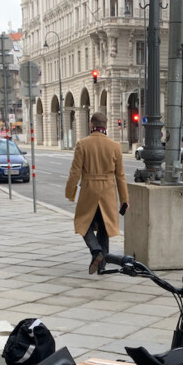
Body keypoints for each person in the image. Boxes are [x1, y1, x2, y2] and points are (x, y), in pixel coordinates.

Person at [65, 112, 130, 274]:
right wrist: (124, 200)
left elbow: (75, 172)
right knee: (103, 227)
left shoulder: (83, 144)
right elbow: (120, 175)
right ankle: (101, 266)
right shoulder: (115, 146)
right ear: (105, 126)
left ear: (91, 125)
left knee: (82, 223)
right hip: (108, 191)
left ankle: (96, 251)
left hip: (89, 190)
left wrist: (70, 192)